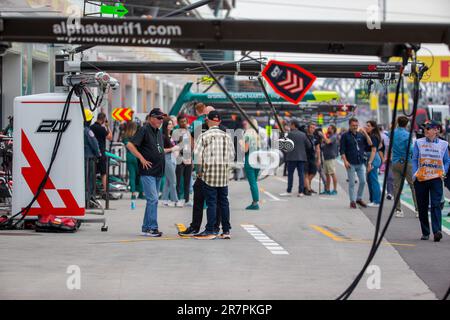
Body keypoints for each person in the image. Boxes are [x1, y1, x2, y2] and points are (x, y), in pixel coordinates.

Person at [193, 111, 235, 240]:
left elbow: (197, 155)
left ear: (208, 120)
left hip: (209, 174)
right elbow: (232, 155)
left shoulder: (204, 135)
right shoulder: (227, 136)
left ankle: (210, 230)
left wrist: (199, 171)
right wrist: (227, 170)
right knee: (224, 202)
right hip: (223, 175)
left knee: (211, 202)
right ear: (219, 122)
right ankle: (226, 231)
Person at [126, 108, 167, 237]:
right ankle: (152, 228)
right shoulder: (144, 129)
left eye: (162, 118)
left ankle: (146, 227)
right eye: (159, 118)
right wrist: (141, 158)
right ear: (151, 118)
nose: (161, 121)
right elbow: (130, 145)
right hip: (148, 171)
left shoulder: (158, 132)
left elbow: (158, 149)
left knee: (152, 200)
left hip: (157, 171)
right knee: (153, 199)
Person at [412, 120, 450, 242]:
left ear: (436, 130)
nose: (426, 131)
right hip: (421, 179)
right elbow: (414, 159)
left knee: (436, 205)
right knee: (422, 206)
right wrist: (414, 174)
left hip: (436, 179)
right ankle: (425, 232)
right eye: (425, 128)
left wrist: (444, 172)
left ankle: (437, 231)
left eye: (429, 128)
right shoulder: (418, 142)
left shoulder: (443, 144)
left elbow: (447, 161)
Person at [340, 117, 376, 209]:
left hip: (360, 162)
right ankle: (352, 201)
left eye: (356, 125)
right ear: (349, 125)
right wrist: (345, 161)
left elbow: (370, 143)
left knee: (363, 181)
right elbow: (342, 150)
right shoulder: (345, 136)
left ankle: (359, 198)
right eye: (353, 125)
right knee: (352, 183)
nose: (355, 127)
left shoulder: (361, 135)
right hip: (350, 163)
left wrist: (365, 133)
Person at [391, 116, 418, 217]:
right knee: (413, 186)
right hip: (407, 162)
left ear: (398, 122)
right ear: (407, 124)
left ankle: (398, 210)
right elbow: (410, 149)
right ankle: (417, 210)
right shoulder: (408, 134)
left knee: (396, 186)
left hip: (395, 161)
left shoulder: (392, 133)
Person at [280, 120, 308, 197]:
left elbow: (284, 146)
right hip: (301, 158)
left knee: (290, 175)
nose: (290, 126)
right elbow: (308, 145)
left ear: (293, 125)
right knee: (301, 175)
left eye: (290, 125)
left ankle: (289, 191)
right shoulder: (303, 135)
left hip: (291, 157)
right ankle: (301, 192)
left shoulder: (289, 134)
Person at [161, 118, 183, 207]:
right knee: (173, 181)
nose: (171, 125)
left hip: (173, 158)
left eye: (172, 124)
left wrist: (177, 149)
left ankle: (164, 199)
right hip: (167, 159)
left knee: (168, 181)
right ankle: (175, 200)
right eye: (169, 124)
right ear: (165, 125)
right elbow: (161, 150)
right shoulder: (162, 136)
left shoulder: (171, 136)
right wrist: (172, 149)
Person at [122, 121, 144, 207]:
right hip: (137, 156)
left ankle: (133, 194)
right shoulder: (137, 136)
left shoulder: (125, 136)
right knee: (141, 175)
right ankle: (141, 193)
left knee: (132, 176)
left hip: (129, 156)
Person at [90, 112, 112, 194]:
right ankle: (105, 191)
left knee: (93, 172)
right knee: (103, 173)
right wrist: (107, 126)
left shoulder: (91, 127)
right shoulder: (102, 129)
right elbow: (110, 137)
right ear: (103, 120)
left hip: (92, 153)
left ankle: (93, 190)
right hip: (101, 153)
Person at [242, 118, 261, 209]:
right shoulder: (258, 134)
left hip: (249, 159)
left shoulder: (247, 134)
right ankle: (255, 202)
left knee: (252, 183)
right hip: (258, 160)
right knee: (255, 182)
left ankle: (255, 203)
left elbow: (245, 149)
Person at [83, 109, 101, 208]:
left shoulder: (76, 130)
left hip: (82, 159)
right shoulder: (87, 131)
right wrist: (98, 154)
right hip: (89, 158)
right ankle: (89, 199)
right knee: (89, 180)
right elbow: (94, 144)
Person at [175, 114, 193, 207]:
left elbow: (190, 145)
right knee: (178, 181)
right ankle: (177, 199)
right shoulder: (176, 132)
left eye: (185, 121)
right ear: (178, 122)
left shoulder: (188, 132)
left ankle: (187, 199)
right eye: (182, 121)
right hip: (179, 159)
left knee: (187, 180)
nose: (183, 123)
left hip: (188, 158)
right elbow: (176, 146)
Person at [364, 120, 383, 207]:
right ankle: (373, 200)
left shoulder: (374, 136)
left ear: (373, 127)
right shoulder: (373, 135)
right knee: (370, 180)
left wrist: (370, 162)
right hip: (373, 158)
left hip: (373, 159)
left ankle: (377, 201)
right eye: (366, 125)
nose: (366, 127)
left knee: (373, 180)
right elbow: (380, 146)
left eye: (368, 126)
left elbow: (374, 150)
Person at [319, 124, 339, 195]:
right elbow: (323, 145)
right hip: (326, 157)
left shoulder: (334, 136)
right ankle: (327, 189)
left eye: (330, 128)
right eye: (328, 128)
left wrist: (322, 135)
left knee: (332, 174)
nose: (328, 130)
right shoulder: (328, 136)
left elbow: (328, 142)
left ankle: (335, 190)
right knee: (327, 174)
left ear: (333, 130)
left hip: (331, 158)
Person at [304, 123, 321, 196]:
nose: (312, 129)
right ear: (308, 128)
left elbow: (318, 148)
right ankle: (308, 188)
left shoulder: (315, 137)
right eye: (311, 127)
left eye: (314, 128)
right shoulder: (304, 136)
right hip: (305, 157)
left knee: (313, 172)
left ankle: (305, 187)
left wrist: (319, 158)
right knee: (306, 174)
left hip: (312, 157)